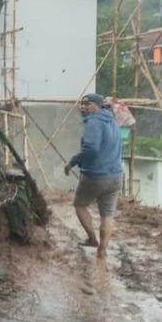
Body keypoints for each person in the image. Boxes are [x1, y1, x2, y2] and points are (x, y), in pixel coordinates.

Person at [64, 93, 124, 260]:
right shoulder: (113, 121)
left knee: (80, 204)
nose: (83, 107)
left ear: (97, 106)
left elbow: (91, 149)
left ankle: (92, 239)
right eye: (81, 104)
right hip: (116, 175)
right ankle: (102, 251)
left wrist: (73, 162)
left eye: (87, 104)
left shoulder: (93, 122)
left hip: (96, 175)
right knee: (107, 214)